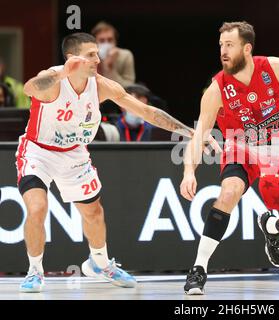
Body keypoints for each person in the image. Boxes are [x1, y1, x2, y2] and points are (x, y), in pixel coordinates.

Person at [16, 32, 217, 293]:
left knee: (94, 212)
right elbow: (29, 88)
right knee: (37, 208)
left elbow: (147, 112)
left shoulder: (100, 85)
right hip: (39, 151)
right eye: (91, 55)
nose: (98, 59)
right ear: (72, 58)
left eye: (97, 54)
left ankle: (99, 263)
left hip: (74, 152)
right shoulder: (54, 80)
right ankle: (35, 270)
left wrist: (192, 132)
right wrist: (61, 73)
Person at [180, 21, 279, 295]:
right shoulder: (217, 89)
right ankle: (199, 269)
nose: (223, 51)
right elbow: (199, 135)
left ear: (246, 48)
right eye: (221, 45)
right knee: (229, 192)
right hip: (239, 145)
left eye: (229, 45)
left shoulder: (274, 67)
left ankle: (270, 224)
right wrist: (188, 171)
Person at [91, 21, 136, 87]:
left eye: (110, 40)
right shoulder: (88, 58)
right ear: (94, 42)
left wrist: (110, 67)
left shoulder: (125, 55)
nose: (106, 44)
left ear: (115, 41)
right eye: (102, 40)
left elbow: (129, 87)